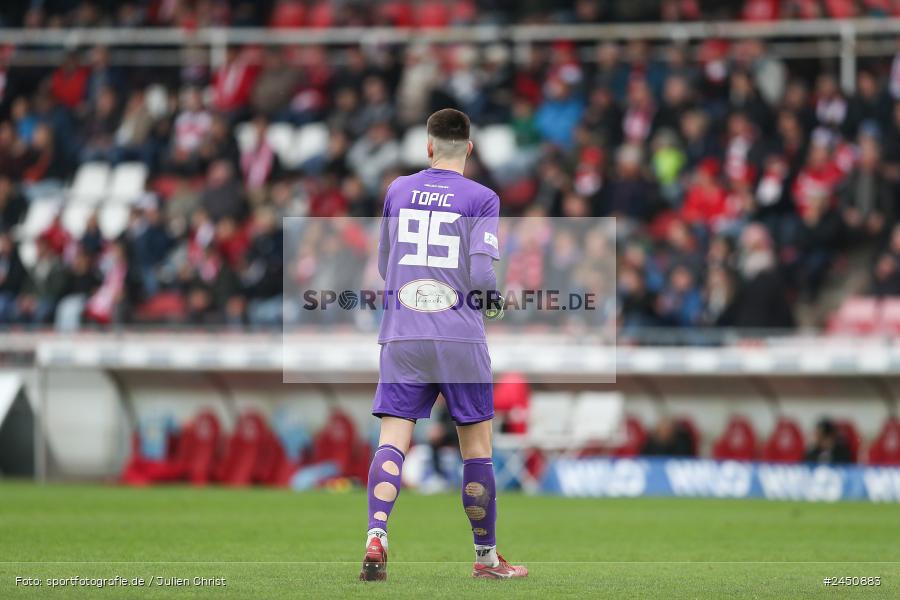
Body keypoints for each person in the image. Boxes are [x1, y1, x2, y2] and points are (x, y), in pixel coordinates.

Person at [360, 109, 527, 581]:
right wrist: (492, 304)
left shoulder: (397, 190)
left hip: (403, 333)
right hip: (457, 335)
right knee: (476, 450)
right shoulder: (482, 197)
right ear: (469, 149)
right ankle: (486, 558)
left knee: (393, 441)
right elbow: (481, 274)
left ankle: (377, 535)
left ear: (428, 147)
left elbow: (384, 264)